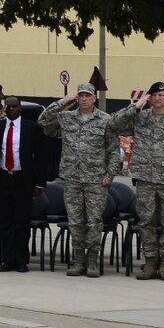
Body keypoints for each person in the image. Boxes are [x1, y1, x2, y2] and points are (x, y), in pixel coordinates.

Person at [110, 82, 164, 280]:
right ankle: (149, 261)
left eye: (161, 95)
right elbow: (114, 124)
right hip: (145, 179)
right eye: (154, 95)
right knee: (146, 221)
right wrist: (136, 107)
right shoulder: (140, 118)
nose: (157, 98)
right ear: (149, 98)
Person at [41, 83, 116, 276]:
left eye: (87, 95)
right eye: (80, 95)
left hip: (96, 179)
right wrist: (63, 102)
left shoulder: (105, 120)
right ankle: (79, 260)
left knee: (93, 221)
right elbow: (43, 121)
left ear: (94, 98)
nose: (84, 99)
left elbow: (114, 150)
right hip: (72, 177)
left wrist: (110, 175)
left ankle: (92, 261)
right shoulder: (66, 118)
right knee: (75, 221)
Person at [0, 98, 54, 272]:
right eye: (8, 106)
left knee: (22, 221)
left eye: (14, 106)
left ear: (20, 109)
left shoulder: (31, 128)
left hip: (23, 180)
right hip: (2, 178)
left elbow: (42, 158)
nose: (11, 109)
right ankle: (7, 259)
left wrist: (40, 183)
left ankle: (21, 260)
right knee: (4, 222)